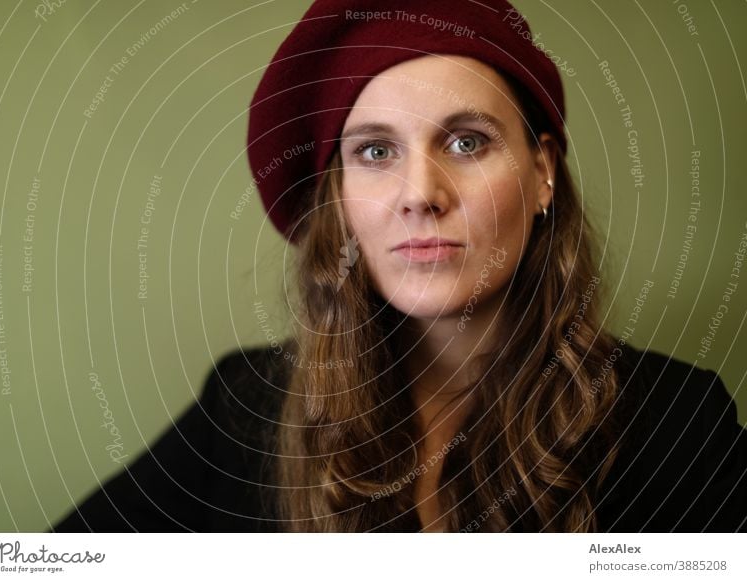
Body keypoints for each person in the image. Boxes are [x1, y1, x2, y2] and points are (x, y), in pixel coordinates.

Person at [50, 0, 747, 533]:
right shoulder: (244, 406)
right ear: (341, 200)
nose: (420, 194)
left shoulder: (676, 419)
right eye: (376, 152)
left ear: (542, 174)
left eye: (468, 142)